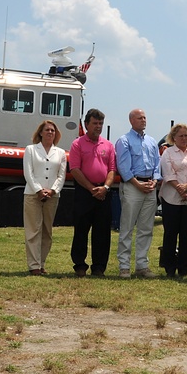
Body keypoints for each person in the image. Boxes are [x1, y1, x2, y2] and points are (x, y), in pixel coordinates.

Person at [69, 108, 117, 277]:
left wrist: (105, 187)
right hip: (84, 193)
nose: (98, 126)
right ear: (86, 124)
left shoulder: (108, 145)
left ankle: (99, 267)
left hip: (104, 192)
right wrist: (91, 188)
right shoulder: (77, 144)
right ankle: (80, 265)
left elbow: (112, 169)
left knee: (102, 232)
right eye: (95, 123)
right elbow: (74, 169)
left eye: (100, 123)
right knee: (81, 230)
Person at [115, 108, 162, 279]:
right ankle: (124, 266)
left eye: (144, 117)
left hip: (150, 186)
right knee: (127, 227)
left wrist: (155, 181)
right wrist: (137, 184)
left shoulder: (151, 141)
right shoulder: (124, 141)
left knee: (146, 228)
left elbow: (157, 164)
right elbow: (123, 166)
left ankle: (142, 265)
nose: (143, 120)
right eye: (139, 118)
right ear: (131, 121)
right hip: (132, 186)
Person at [22, 120, 67, 276]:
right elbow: (28, 173)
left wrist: (53, 190)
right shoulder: (31, 150)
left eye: (53, 130)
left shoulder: (60, 153)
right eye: (47, 130)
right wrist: (39, 190)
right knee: (33, 230)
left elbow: (61, 176)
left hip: (52, 197)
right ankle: (33, 265)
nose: (50, 132)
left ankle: (41, 263)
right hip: (32, 195)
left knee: (47, 231)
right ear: (40, 132)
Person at [159, 123, 187, 278]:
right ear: (173, 138)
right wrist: (180, 189)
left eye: (186, 135)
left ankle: (184, 268)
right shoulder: (168, 152)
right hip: (171, 198)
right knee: (170, 233)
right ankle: (170, 267)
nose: (184, 138)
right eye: (181, 136)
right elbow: (168, 173)